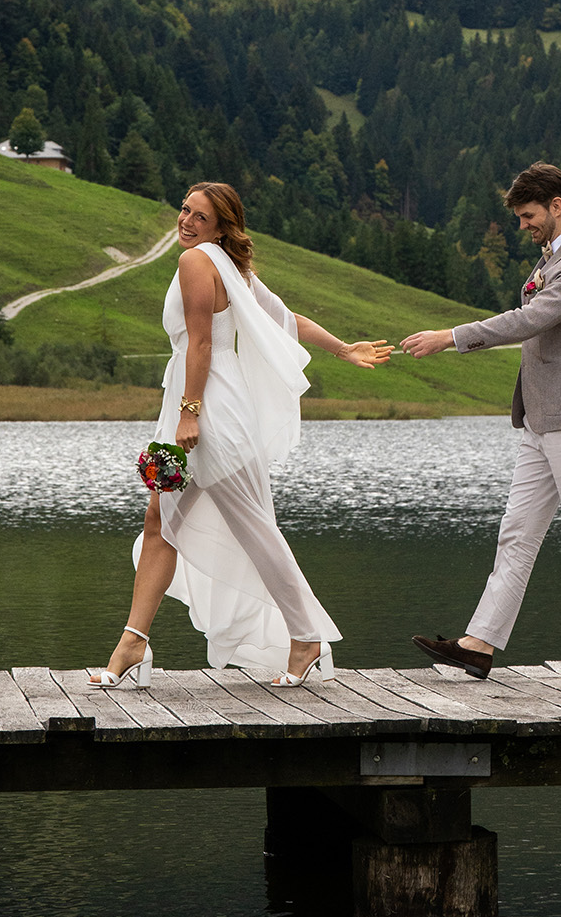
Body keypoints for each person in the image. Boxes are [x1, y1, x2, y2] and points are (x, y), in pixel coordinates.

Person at [91, 182, 390, 689]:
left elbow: (202, 343)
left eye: (200, 217)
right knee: (160, 521)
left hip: (209, 411)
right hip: (200, 402)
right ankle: (133, 642)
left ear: (220, 228)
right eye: (185, 209)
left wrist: (190, 414)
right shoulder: (230, 267)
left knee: (253, 527)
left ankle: (306, 637)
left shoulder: (197, 262)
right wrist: (342, 348)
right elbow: (287, 319)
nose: (186, 221)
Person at [401, 161, 561, 683]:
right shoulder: (553, 257)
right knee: (516, 534)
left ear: (557, 206)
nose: (523, 225)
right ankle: (479, 644)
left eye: (529, 215)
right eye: (519, 217)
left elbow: (531, 320)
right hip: (541, 419)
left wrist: (450, 337)